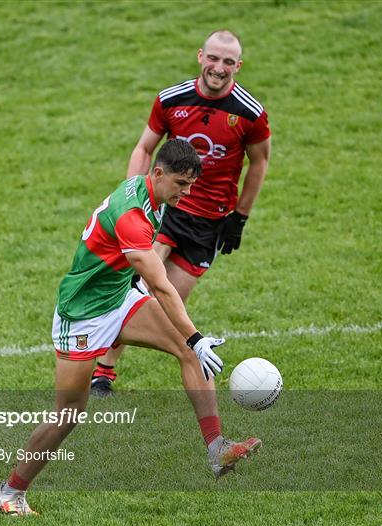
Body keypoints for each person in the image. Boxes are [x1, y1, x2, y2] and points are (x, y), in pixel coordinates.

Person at [0, 139, 261, 516]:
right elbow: (160, 285)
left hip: (119, 298)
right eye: (181, 184)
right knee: (69, 413)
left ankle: (217, 448)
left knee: (186, 351)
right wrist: (197, 335)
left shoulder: (150, 192)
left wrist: (191, 340)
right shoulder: (131, 217)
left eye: (190, 185)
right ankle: (10, 492)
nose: (186, 193)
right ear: (158, 173)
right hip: (83, 315)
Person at [91, 29, 271, 396]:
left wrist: (240, 217)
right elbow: (145, 147)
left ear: (238, 65)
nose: (218, 68)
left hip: (210, 224)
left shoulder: (250, 113)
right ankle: (103, 371)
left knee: (166, 299)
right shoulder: (172, 100)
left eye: (227, 62)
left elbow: (260, 162)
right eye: (213, 58)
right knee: (140, 286)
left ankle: (170, 360)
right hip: (169, 209)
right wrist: (134, 196)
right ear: (200, 56)